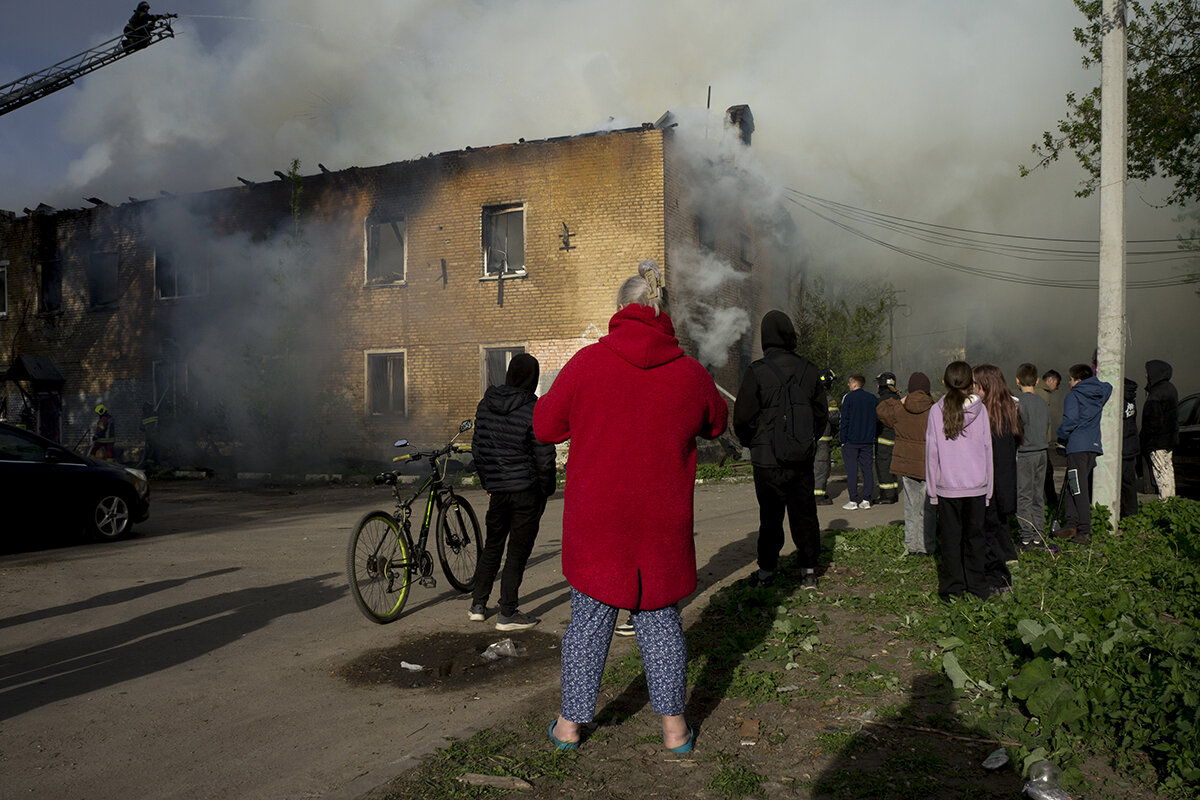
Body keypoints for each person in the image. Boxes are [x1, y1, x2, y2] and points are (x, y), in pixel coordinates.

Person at [533, 260, 727, 753]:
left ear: (620, 310)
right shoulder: (689, 373)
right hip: (661, 520)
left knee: (589, 621)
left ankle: (570, 725)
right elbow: (716, 422)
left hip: (598, 520)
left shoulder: (587, 364)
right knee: (660, 620)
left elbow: (546, 428)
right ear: (663, 314)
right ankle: (675, 730)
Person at [733, 311, 827, 589]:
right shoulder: (810, 370)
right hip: (801, 457)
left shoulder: (757, 371)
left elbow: (742, 417)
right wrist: (807, 441)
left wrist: (753, 443)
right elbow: (821, 415)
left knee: (770, 517)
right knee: (805, 513)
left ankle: (766, 571)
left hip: (767, 460)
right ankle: (808, 570)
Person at [469, 353, 557, 631]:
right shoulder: (534, 408)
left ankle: (478, 605)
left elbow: (478, 449)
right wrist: (546, 489)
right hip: (526, 492)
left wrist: (488, 484)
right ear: (532, 378)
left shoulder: (486, 404)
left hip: (498, 491)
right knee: (517, 550)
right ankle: (508, 612)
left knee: (493, 545)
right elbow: (544, 456)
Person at [925, 361, 993, 600]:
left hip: (947, 489)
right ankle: (978, 588)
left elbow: (932, 452)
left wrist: (933, 491)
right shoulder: (981, 410)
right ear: (970, 384)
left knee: (950, 542)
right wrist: (988, 490)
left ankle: (952, 590)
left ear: (944, 382)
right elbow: (987, 449)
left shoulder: (936, 410)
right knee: (975, 540)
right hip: (976, 487)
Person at [875, 372, 936, 556]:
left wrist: (899, 401)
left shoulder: (900, 409)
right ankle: (927, 545)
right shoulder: (934, 409)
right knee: (928, 508)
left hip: (906, 464)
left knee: (910, 505)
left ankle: (911, 545)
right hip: (928, 465)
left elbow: (881, 410)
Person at [973, 364, 1022, 591]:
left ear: (987, 385)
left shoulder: (991, 415)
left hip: (991, 482)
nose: (972, 389)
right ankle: (1006, 559)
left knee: (989, 528)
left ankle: (998, 579)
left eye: (975, 384)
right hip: (999, 482)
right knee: (995, 526)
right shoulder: (1006, 409)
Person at [1053, 364, 1112, 545]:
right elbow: (1108, 386)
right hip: (1092, 446)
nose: (1069, 383)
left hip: (1077, 448)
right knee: (1073, 484)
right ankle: (1071, 523)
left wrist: (1060, 435)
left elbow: (1070, 421)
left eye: (1071, 379)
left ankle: (1085, 530)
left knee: (1078, 489)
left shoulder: (1074, 396)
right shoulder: (1099, 394)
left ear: (1077, 380)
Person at [1014, 363, 1053, 550]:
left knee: (1024, 496)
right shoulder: (1043, 403)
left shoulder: (1018, 404)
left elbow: (1015, 431)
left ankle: (1026, 538)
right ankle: (1039, 536)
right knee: (1038, 495)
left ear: (1017, 380)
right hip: (1042, 453)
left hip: (1025, 454)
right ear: (1037, 381)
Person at [1140, 359, 1179, 499]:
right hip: (1169, 440)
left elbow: (1152, 421)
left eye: (1147, 372)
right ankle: (1171, 502)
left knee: (1161, 474)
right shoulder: (1170, 388)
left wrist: (1145, 440)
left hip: (1157, 442)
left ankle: (1166, 504)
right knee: (1168, 471)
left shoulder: (1156, 394)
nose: (1146, 375)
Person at [839, 374, 876, 510]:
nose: (848, 385)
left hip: (851, 441)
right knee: (867, 470)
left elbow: (844, 420)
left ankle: (853, 500)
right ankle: (866, 499)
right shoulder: (872, 398)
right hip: (867, 440)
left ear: (854, 383)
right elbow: (876, 419)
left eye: (849, 382)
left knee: (852, 470)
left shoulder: (849, 398)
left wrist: (842, 439)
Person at [873, 372, 901, 504]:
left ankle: (887, 496)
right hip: (897, 439)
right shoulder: (898, 399)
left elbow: (875, 422)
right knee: (892, 466)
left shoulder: (880, 402)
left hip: (883, 439)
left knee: (883, 466)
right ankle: (893, 493)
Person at [813, 369, 840, 506]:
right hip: (822, 439)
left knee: (810, 466)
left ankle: (808, 493)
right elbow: (834, 418)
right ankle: (818, 496)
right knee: (821, 466)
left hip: (808, 438)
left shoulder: (807, 394)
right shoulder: (827, 398)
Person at [1037, 369, 1063, 506]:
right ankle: (1052, 503)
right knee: (1047, 473)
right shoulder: (1042, 394)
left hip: (1039, 441)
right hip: (1039, 442)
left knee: (1047, 472)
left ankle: (1052, 502)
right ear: (1050, 380)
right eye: (1057, 384)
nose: (1057, 388)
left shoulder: (1039, 391)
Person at [1120, 377, 1141, 518]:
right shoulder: (1130, 397)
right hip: (1130, 443)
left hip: (1122, 445)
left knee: (1123, 483)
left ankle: (1127, 514)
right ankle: (1131, 515)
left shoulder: (1119, 398)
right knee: (1129, 483)